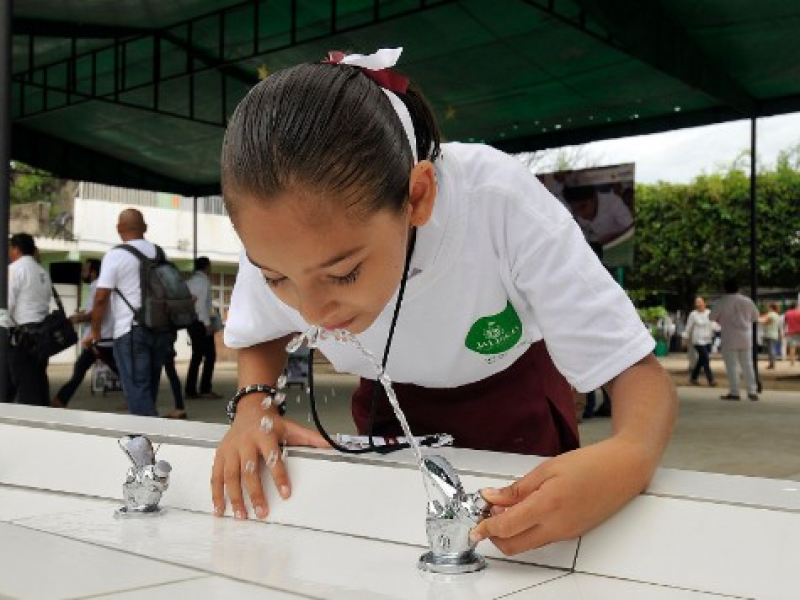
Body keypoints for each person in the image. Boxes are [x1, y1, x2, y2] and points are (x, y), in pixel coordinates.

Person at [211, 48, 676, 555]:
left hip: (511, 397)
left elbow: (637, 372)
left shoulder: (499, 203)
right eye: (277, 278)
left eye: (344, 273)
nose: (315, 312)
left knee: (530, 552)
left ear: (417, 197)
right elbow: (259, 333)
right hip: (390, 403)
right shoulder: (281, 233)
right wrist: (253, 407)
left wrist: (630, 455)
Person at [85, 209, 176, 416]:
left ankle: (146, 441)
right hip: (160, 328)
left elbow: (101, 298)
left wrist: (95, 331)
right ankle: (150, 434)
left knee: (137, 389)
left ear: (118, 229)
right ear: (145, 228)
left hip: (131, 331)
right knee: (149, 388)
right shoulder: (159, 253)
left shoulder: (116, 255)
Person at [52, 259, 118, 408]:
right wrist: (83, 315)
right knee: (80, 370)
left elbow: (96, 312)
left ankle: (139, 397)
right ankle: (60, 400)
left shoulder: (98, 287)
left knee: (118, 371)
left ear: (93, 272)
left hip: (100, 338)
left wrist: (78, 318)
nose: (83, 274)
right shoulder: (101, 286)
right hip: (98, 338)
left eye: (85, 270)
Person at [6, 233, 53, 405]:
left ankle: (30, 424)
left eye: (11, 248)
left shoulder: (14, 270)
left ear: (16, 249)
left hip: (21, 335)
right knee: (39, 378)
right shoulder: (42, 271)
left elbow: (7, 304)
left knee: (25, 383)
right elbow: (46, 301)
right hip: (42, 334)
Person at [710, 279, 760, 401]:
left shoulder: (721, 302)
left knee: (731, 366)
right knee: (748, 365)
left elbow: (712, 317)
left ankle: (735, 392)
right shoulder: (747, 301)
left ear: (725, 289)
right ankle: (752, 391)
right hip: (745, 337)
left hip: (729, 337)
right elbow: (755, 317)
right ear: (738, 288)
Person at [184, 256, 222, 399]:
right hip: (201, 323)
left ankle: (190, 389)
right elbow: (201, 305)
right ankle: (205, 388)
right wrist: (207, 324)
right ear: (206, 267)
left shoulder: (189, 281)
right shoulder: (203, 282)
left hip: (191, 322)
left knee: (197, 356)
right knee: (210, 356)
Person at [562, 184, 633, 246]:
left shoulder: (613, 203)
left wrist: (611, 238)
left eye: (583, 207)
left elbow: (632, 228)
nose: (580, 214)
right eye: (575, 210)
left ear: (594, 198)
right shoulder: (570, 211)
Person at [684, 296, 717, 387]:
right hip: (698, 340)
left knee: (701, 360)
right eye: (696, 303)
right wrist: (685, 338)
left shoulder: (709, 313)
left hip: (708, 340)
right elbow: (689, 327)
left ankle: (693, 378)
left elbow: (714, 324)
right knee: (706, 359)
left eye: (700, 302)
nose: (698, 304)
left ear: (704, 303)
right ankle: (711, 379)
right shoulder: (693, 314)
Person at [759, 303, 782, 370]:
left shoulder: (771, 314)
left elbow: (765, 322)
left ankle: (772, 364)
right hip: (774, 334)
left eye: (768, 307)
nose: (767, 308)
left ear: (771, 307)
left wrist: (757, 320)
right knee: (772, 349)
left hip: (769, 334)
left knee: (771, 349)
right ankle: (772, 363)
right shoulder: (777, 315)